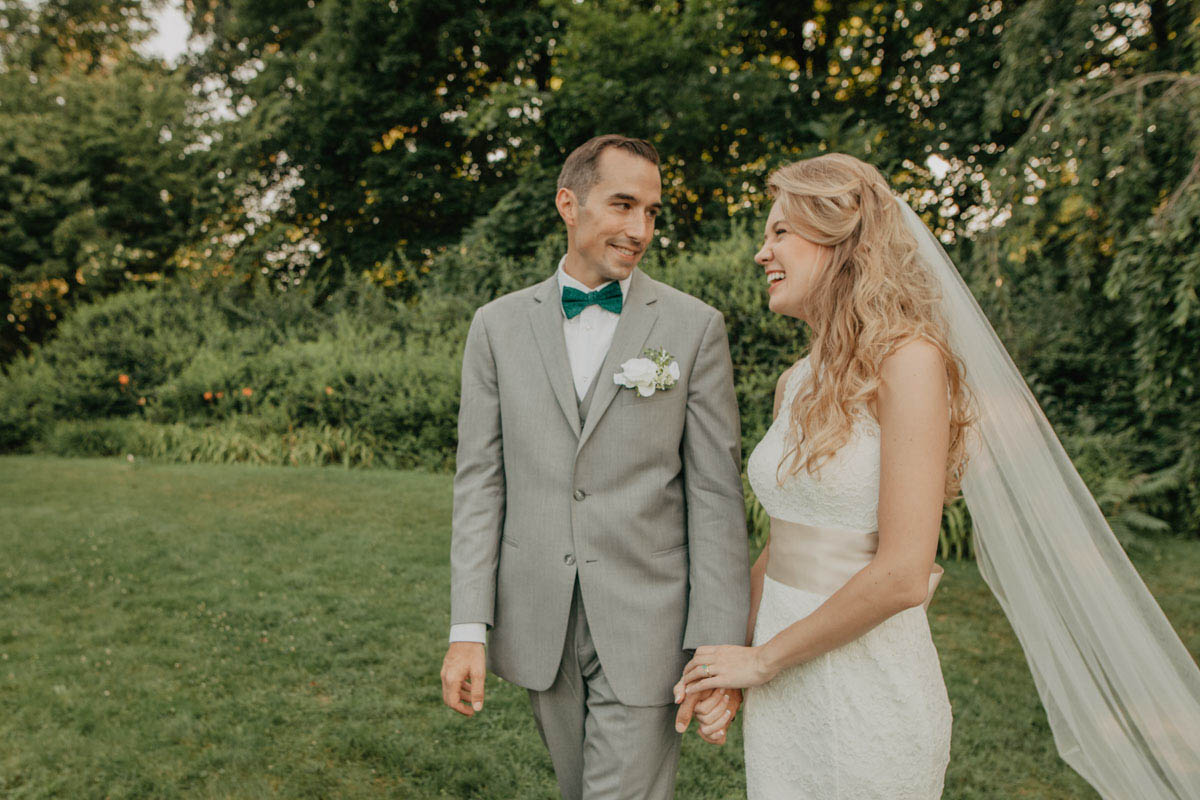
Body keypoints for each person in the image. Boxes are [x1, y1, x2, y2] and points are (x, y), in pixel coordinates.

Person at [675, 153, 1200, 799]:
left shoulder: (910, 363)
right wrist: (735, 663)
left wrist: (762, 659)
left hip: (871, 688)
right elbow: (786, 546)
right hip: (787, 687)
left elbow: (901, 576)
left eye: (779, 231)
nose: (762, 253)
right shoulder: (797, 380)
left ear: (843, 241)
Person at [441, 134, 750, 800]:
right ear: (568, 204)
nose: (640, 229)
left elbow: (715, 494)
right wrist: (469, 628)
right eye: (623, 205)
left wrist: (718, 645)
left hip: (650, 624)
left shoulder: (694, 328)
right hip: (539, 623)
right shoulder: (496, 327)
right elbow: (480, 483)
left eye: (652, 212)